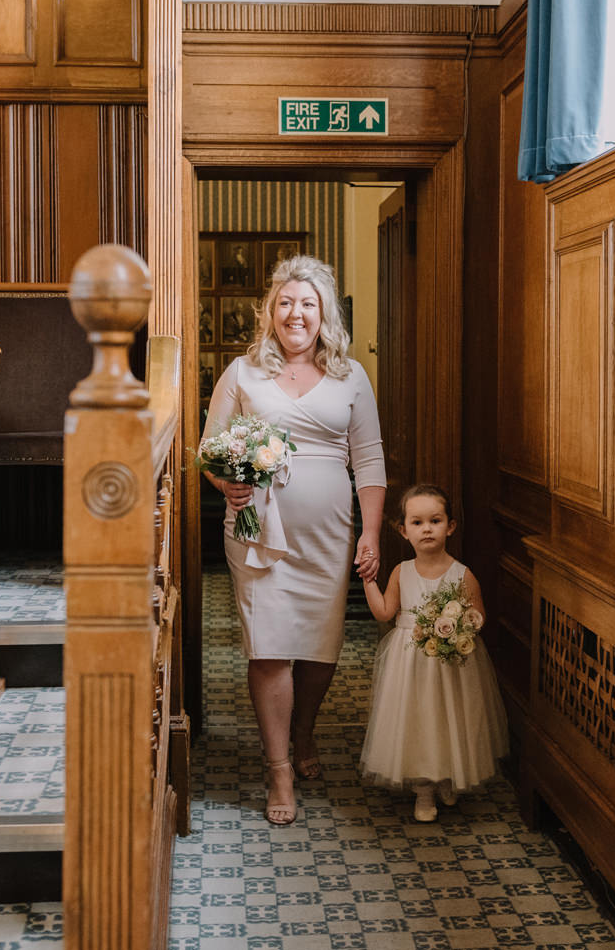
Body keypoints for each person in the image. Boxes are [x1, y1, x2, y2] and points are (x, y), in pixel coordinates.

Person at [202, 254, 385, 825]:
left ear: (324, 312)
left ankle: (303, 730)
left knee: (320, 647)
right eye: (285, 302)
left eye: (307, 303)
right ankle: (279, 768)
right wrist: (227, 482)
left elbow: (369, 460)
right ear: (270, 311)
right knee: (269, 646)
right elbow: (209, 448)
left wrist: (371, 532)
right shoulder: (242, 372)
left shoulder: (351, 376)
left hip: (329, 534)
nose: (295, 313)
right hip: (256, 532)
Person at [357, 483, 509, 822]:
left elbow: (477, 617)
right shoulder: (401, 572)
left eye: (435, 521)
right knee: (418, 720)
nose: (427, 529)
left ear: (450, 527)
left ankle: (446, 775)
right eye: (417, 522)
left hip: (450, 664)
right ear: (403, 530)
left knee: (447, 718)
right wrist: (368, 581)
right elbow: (384, 612)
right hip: (410, 663)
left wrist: (456, 627)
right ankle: (424, 788)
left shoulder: (462, 574)